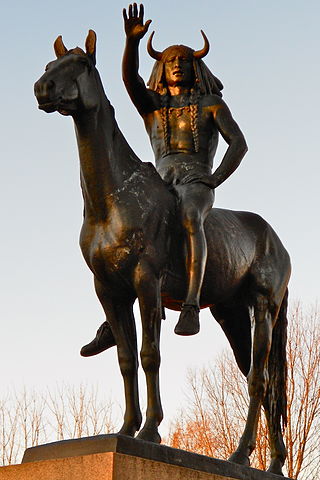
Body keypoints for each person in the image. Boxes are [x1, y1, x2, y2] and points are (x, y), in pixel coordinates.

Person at [80, 3, 247, 357]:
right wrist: (131, 43)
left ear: (195, 67)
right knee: (124, 231)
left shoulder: (211, 105)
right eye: (170, 60)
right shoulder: (153, 105)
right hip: (161, 180)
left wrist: (214, 179)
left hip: (195, 180)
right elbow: (129, 79)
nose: (176, 64)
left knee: (189, 216)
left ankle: (190, 304)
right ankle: (113, 320)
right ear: (162, 67)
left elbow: (239, 144)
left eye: (184, 60)